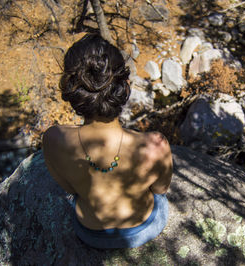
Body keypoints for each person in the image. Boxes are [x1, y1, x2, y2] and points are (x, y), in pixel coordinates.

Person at [42, 33, 173, 249]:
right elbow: (160, 189)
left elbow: (69, 189)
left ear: (72, 90)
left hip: (89, 232)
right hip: (144, 228)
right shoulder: (155, 145)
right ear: (125, 86)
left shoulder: (53, 139)